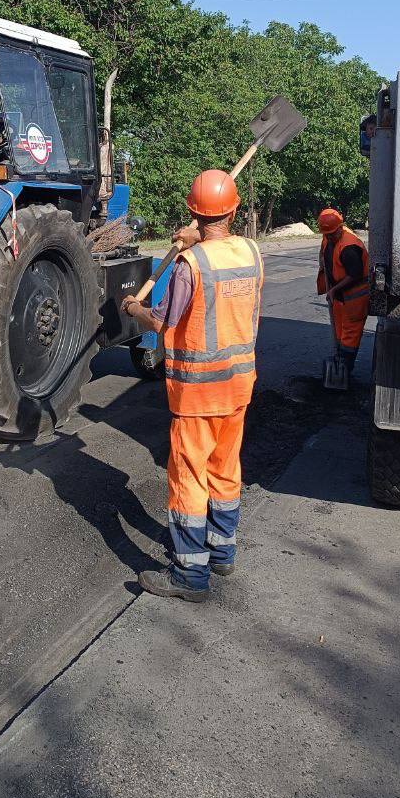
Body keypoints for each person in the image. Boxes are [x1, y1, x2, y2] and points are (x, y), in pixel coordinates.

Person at [122, 169, 263, 604]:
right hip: (238, 386)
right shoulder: (252, 252)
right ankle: (222, 552)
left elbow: (164, 320)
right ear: (235, 210)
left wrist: (134, 308)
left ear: (192, 211)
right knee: (225, 470)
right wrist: (196, 237)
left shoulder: (190, 265)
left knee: (188, 478)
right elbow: (219, 251)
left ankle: (190, 574)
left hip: (199, 392)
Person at [317, 208, 370, 374]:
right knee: (339, 331)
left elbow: (354, 275)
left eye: (333, 233)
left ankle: (346, 368)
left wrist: (334, 290)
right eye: (327, 234)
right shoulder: (327, 237)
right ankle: (339, 361)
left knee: (349, 335)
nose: (331, 237)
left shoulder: (349, 247)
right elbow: (325, 257)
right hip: (340, 296)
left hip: (355, 297)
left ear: (341, 227)